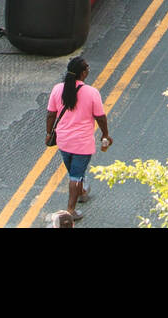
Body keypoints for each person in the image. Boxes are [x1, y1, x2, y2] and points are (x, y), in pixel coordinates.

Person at [46, 57, 112, 221]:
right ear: (83, 73)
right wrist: (105, 134)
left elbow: (51, 114)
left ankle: (82, 193)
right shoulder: (91, 92)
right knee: (75, 176)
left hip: (63, 141)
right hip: (82, 144)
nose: (89, 71)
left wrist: (49, 133)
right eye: (87, 69)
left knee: (75, 171)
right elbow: (100, 117)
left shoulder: (57, 89)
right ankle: (70, 210)